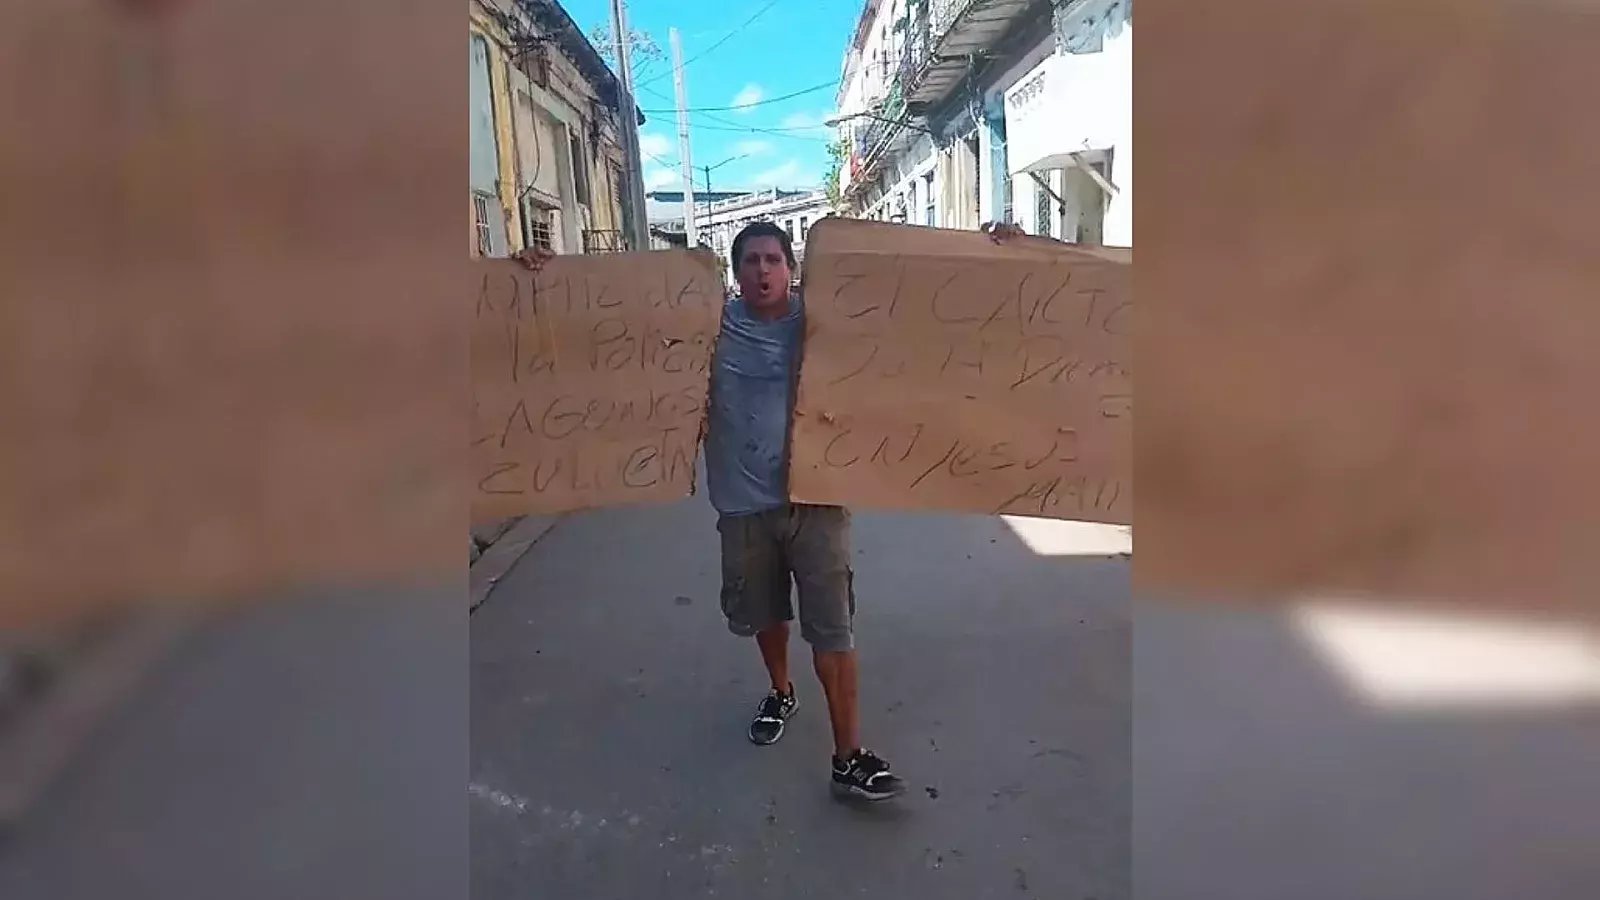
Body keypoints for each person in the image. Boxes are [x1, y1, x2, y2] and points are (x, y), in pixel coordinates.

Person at [516, 219, 1026, 802]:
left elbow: (923, 324)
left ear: (792, 267)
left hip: (817, 501)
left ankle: (848, 755)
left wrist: (996, 259)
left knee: (833, 628)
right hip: (742, 506)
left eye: (773, 260)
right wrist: (545, 280)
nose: (762, 271)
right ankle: (781, 690)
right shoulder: (707, 328)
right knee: (764, 614)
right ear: (736, 273)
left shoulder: (826, 325)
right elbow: (608, 337)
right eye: (751, 261)